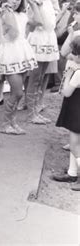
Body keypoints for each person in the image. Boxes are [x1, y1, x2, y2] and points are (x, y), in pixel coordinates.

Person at [0, 0, 37, 134]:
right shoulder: (2, 14)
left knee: (18, 92)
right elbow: (12, 34)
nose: (15, 1)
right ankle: (5, 124)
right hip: (10, 53)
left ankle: (12, 122)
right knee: (17, 92)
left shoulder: (22, 15)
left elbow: (35, 24)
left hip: (22, 52)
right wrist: (7, 12)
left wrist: (34, 5)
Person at [25, 0, 60, 124]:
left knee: (41, 77)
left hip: (48, 38)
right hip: (39, 39)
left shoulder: (47, 1)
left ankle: (36, 108)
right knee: (34, 77)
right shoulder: (36, 1)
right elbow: (36, 22)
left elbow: (52, 23)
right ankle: (31, 113)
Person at [44, 0, 78, 92]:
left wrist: (66, 21)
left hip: (64, 21)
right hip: (53, 19)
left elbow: (73, 2)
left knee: (61, 49)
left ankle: (60, 81)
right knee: (53, 49)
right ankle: (53, 80)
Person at [52, 35, 80, 191]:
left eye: (74, 53)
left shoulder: (77, 73)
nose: (72, 56)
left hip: (76, 111)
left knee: (75, 146)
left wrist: (68, 75)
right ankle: (72, 172)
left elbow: (66, 92)